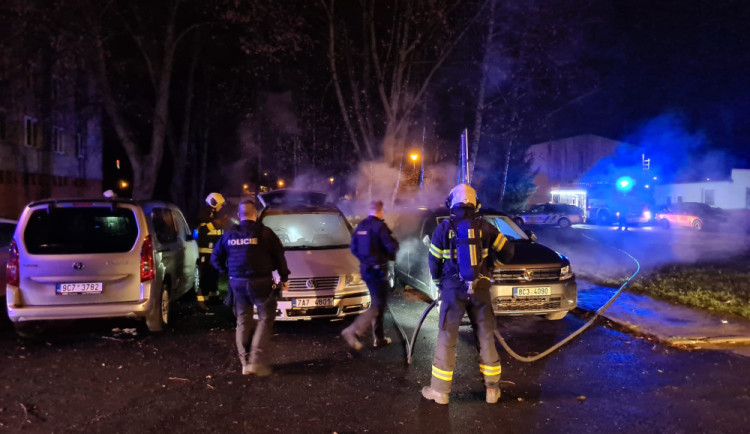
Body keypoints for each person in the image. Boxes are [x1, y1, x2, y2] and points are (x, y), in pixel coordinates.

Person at [421, 184, 515, 405]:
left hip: (453, 290)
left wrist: (438, 283)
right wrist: (492, 266)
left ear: (451, 203)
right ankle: (492, 390)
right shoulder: (486, 227)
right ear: (476, 203)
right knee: (485, 336)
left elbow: (434, 262)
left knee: (447, 337)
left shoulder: (443, 229)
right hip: (481, 288)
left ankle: (440, 392)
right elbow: (508, 251)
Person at [211, 199, 290, 376]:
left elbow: (215, 258)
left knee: (243, 320)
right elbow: (279, 256)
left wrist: (228, 271)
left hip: (237, 283)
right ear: (256, 215)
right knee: (265, 317)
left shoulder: (229, 235)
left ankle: (245, 363)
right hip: (261, 282)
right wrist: (284, 277)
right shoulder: (265, 233)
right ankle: (255, 360)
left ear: (239, 216)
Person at [341, 200, 399, 350]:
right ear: (381, 210)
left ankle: (379, 338)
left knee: (378, 303)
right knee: (377, 305)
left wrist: (365, 260)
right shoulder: (380, 226)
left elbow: (353, 247)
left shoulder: (361, 226)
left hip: (366, 270)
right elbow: (392, 247)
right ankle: (352, 331)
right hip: (378, 271)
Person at [196, 193, 227, 310]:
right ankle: (201, 301)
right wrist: (215, 224)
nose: (222, 207)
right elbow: (202, 231)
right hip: (205, 253)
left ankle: (213, 298)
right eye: (220, 204)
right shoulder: (205, 214)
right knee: (205, 276)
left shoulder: (213, 215)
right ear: (214, 203)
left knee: (213, 275)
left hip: (214, 252)